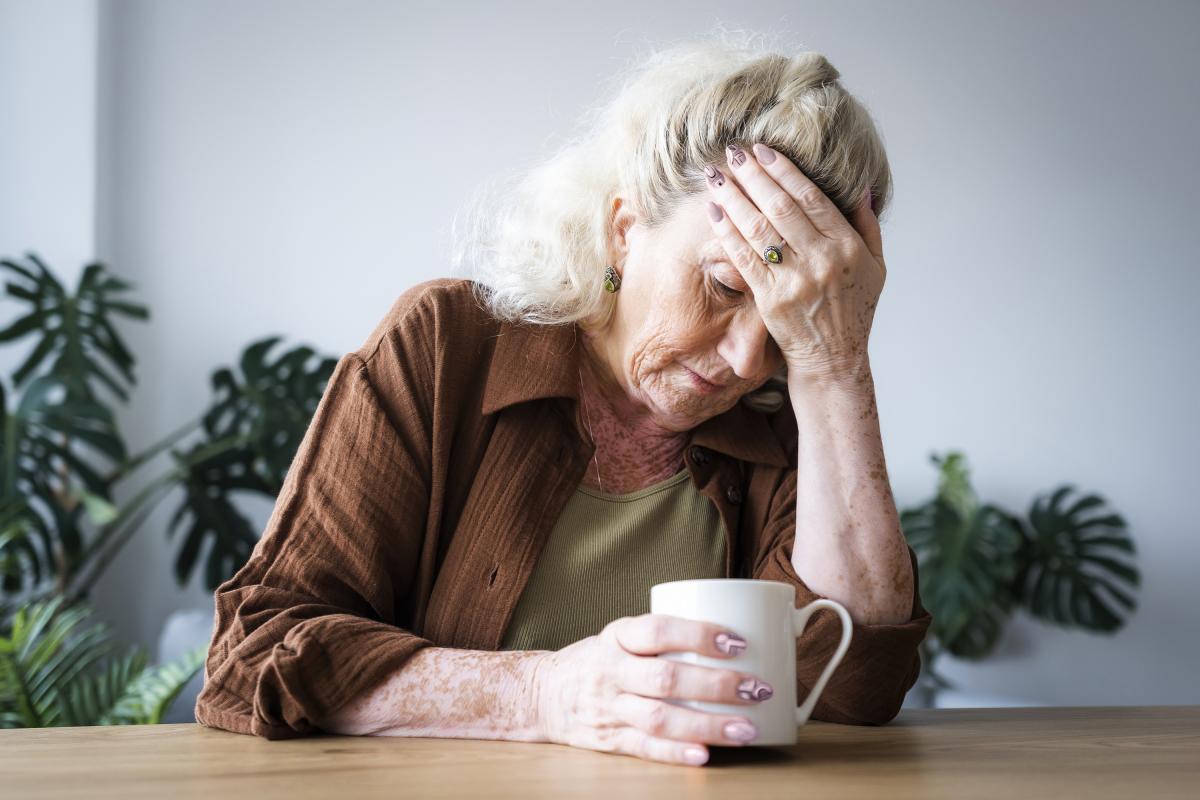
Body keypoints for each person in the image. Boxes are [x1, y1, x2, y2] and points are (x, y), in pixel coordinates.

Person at [195, 37, 932, 768]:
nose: (747, 358)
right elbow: (252, 653)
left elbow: (854, 686)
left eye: (785, 316)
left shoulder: (789, 402)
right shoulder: (447, 349)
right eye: (727, 287)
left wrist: (836, 369)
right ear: (623, 230)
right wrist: (544, 694)